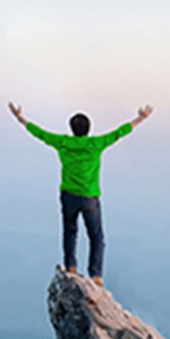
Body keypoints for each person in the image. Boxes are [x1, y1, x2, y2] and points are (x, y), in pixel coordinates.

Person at [8, 102, 153, 287]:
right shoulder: (95, 144)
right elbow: (119, 132)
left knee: (70, 231)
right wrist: (141, 118)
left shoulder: (63, 143)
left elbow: (40, 133)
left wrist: (20, 117)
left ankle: (71, 266)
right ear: (88, 129)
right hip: (89, 196)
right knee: (96, 236)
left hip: (68, 194)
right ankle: (96, 275)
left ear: (72, 129)